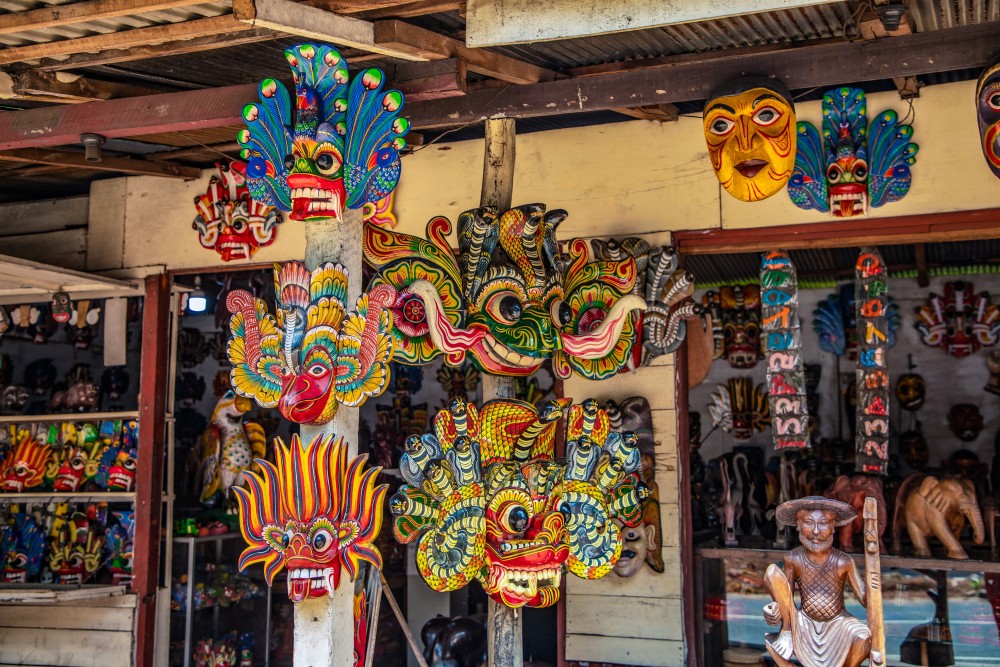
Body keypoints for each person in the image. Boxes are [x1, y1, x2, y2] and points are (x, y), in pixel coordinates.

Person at [763, 496, 872, 667]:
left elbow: (866, 600)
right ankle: (786, 633)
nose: (815, 531)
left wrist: (873, 585)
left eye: (822, 523)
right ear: (798, 525)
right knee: (772, 573)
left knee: (864, 637)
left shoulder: (844, 561)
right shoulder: (793, 559)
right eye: (808, 522)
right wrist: (774, 609)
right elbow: (785, 596)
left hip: (838, 622)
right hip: (803, 621)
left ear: (833, 527)